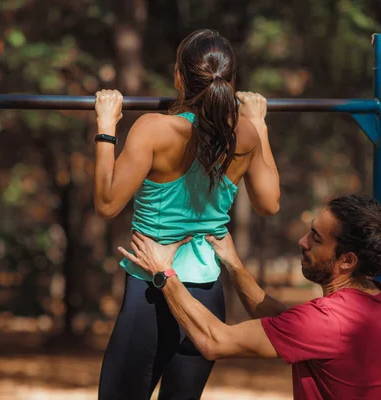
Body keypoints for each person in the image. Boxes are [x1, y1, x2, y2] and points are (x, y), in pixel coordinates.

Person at [93, 29, 280, 399]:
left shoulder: (153, 129)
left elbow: (107, 204)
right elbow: (269, 204)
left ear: (179, 77)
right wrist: (259, 126)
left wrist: (105, 127)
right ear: (231, 80)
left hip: (150, 293)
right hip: (208, 296)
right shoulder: (244, 136)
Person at [119, 195, 381, 400]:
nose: (302, 241)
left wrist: (163, 273)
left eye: (316, 238)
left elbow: (214, 341)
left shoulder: (328, 321)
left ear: (347, 260)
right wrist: (234, 263)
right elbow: (287, 323)